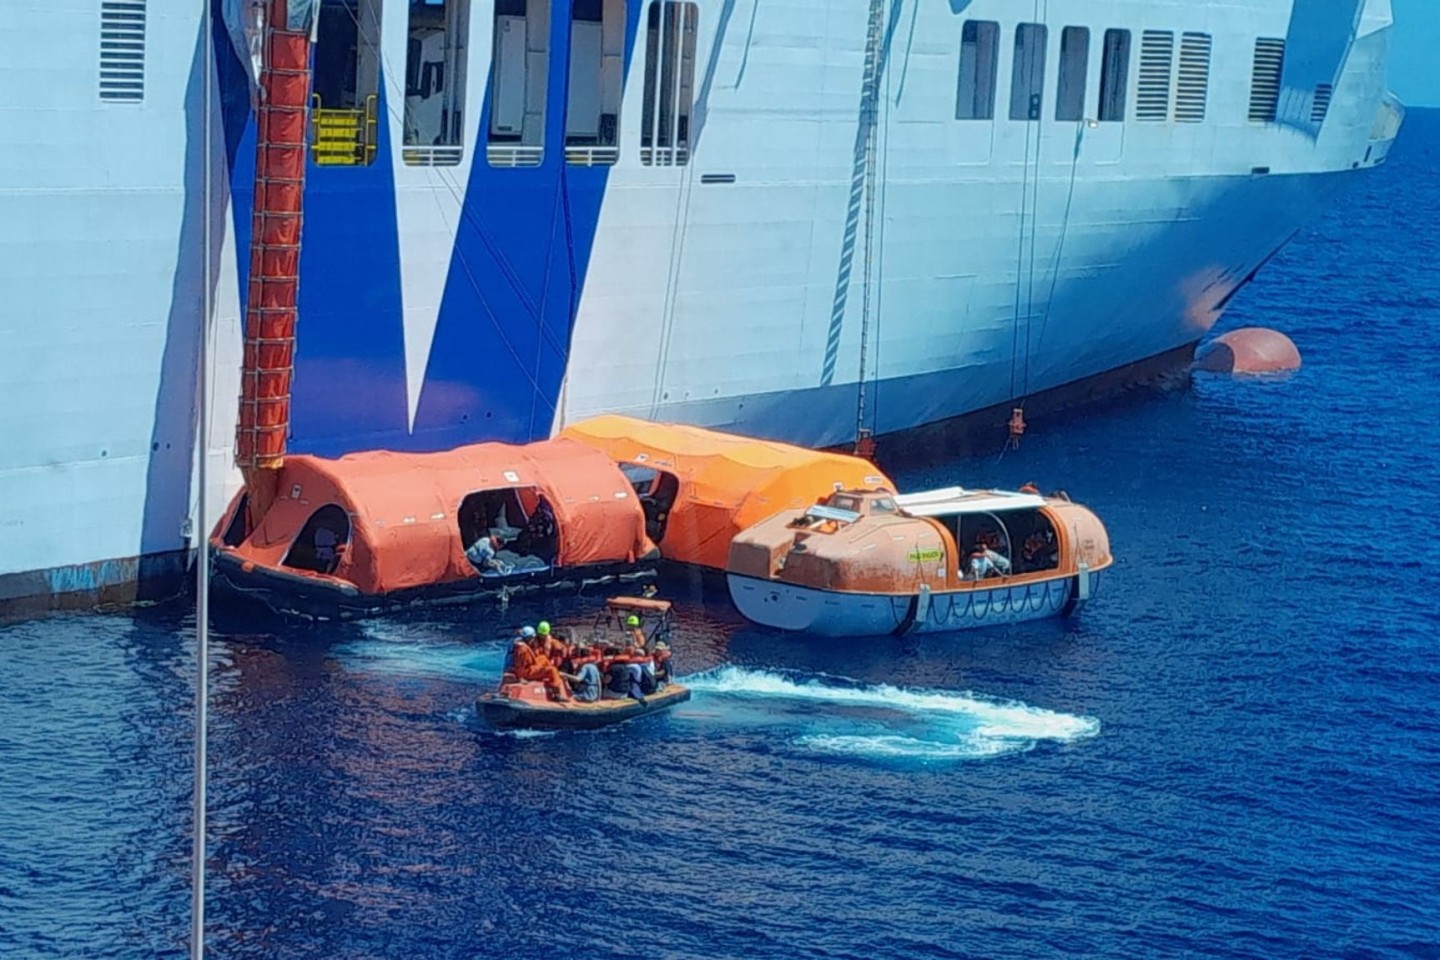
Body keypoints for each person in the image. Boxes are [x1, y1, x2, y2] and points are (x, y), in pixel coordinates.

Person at [508, 626, 571, 702]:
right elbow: (519, 665)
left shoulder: (522, 644)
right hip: (527, 672)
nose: (534, 639)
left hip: (529, 666)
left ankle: (553, 676)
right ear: (529, 638)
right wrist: (521, 678)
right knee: (552, 670)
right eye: (533, 637)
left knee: (543, 658)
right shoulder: (522, 650)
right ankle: (557, 694)